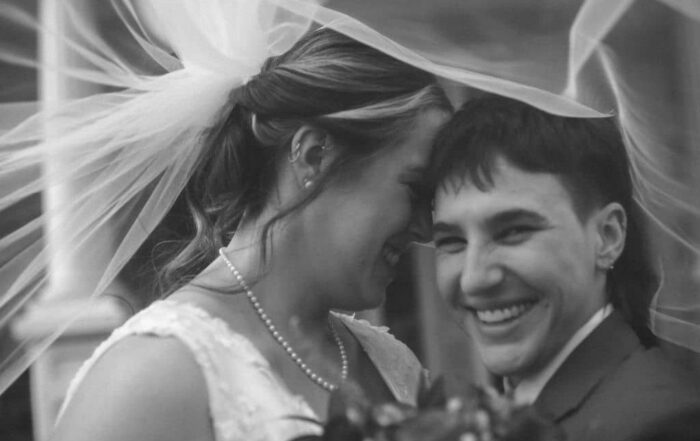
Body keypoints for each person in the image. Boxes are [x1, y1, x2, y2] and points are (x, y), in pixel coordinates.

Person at [50, 28, 452, 441]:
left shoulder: (391, 363)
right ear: (314, 155)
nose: (425, 229)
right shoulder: (152, 375)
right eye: (416, 189)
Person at [428, 95, 700, 441]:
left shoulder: (663, 423)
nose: (473, 279)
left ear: (607, 236)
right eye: (452, 242)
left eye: (513, 232)